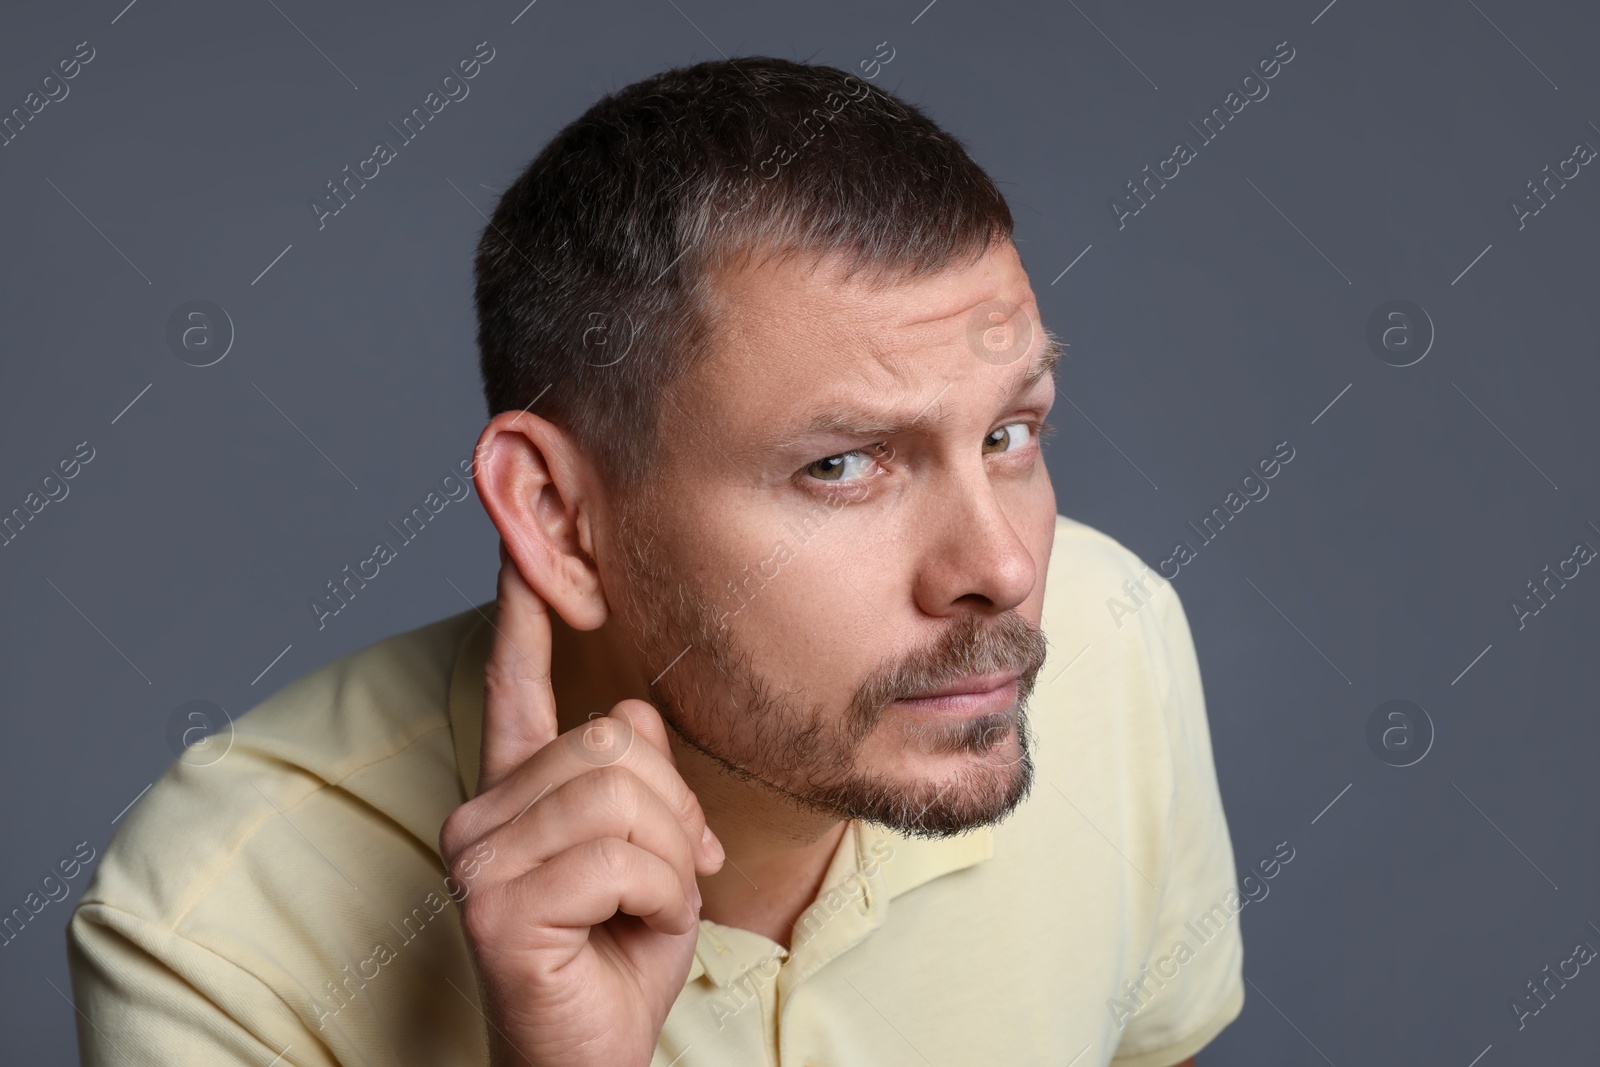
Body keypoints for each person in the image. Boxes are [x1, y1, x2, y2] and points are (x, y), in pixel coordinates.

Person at [67, 56, 1243, 1066]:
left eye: (1009, 434)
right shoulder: (214, 931)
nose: (1001, 567)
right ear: (560, 519)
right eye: (840, 465)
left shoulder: (1111, 634)